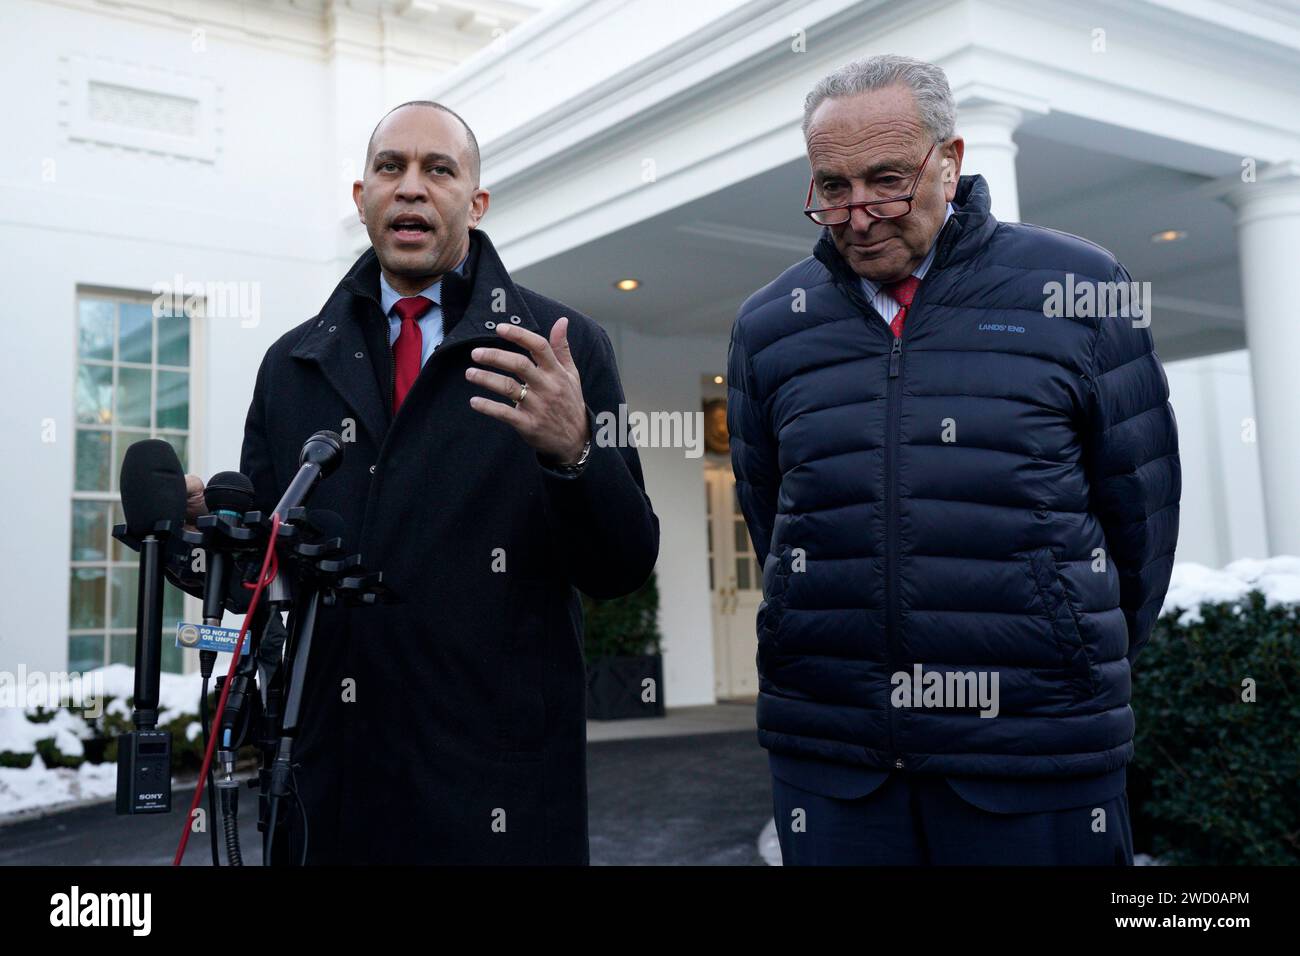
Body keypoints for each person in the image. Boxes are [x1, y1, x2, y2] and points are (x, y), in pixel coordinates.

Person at [727, 55, 1180, 865]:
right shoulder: (769, 326)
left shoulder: (1081, 289)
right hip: (834, 760)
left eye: (888, 180)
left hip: (1036, 756)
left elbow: (1141, 525)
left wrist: (1065, 650)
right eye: (832, 187)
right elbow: (775, 521)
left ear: (951, 160)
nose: (859, 215)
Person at [185, 100, 659, 863]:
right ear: (361, 198)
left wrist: (574, 455)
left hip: (497, 796)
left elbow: (622, 566)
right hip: (322, 792)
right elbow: (266, 577)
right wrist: (206, 539)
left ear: (474, 203)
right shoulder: (292, 362)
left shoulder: (560, 349)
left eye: (439, 170)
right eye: (390, 168)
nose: (411, 187)